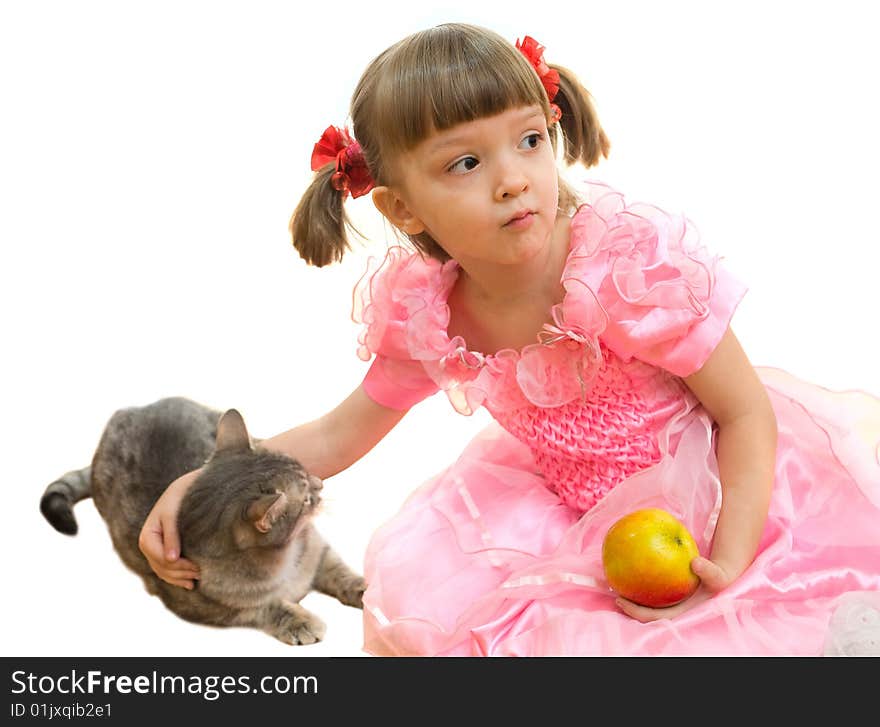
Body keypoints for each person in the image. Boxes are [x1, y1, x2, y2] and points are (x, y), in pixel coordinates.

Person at [139, 23, 880, 656]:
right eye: (465, 162)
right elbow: (337, 435)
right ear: (404, 208)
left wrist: (729, 559)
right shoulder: (432, 313)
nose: (513, 180)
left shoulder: (622, 275)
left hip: (719, 486)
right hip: (566, 513)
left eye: (529, 140)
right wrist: (198, 481)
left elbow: (744, 413)